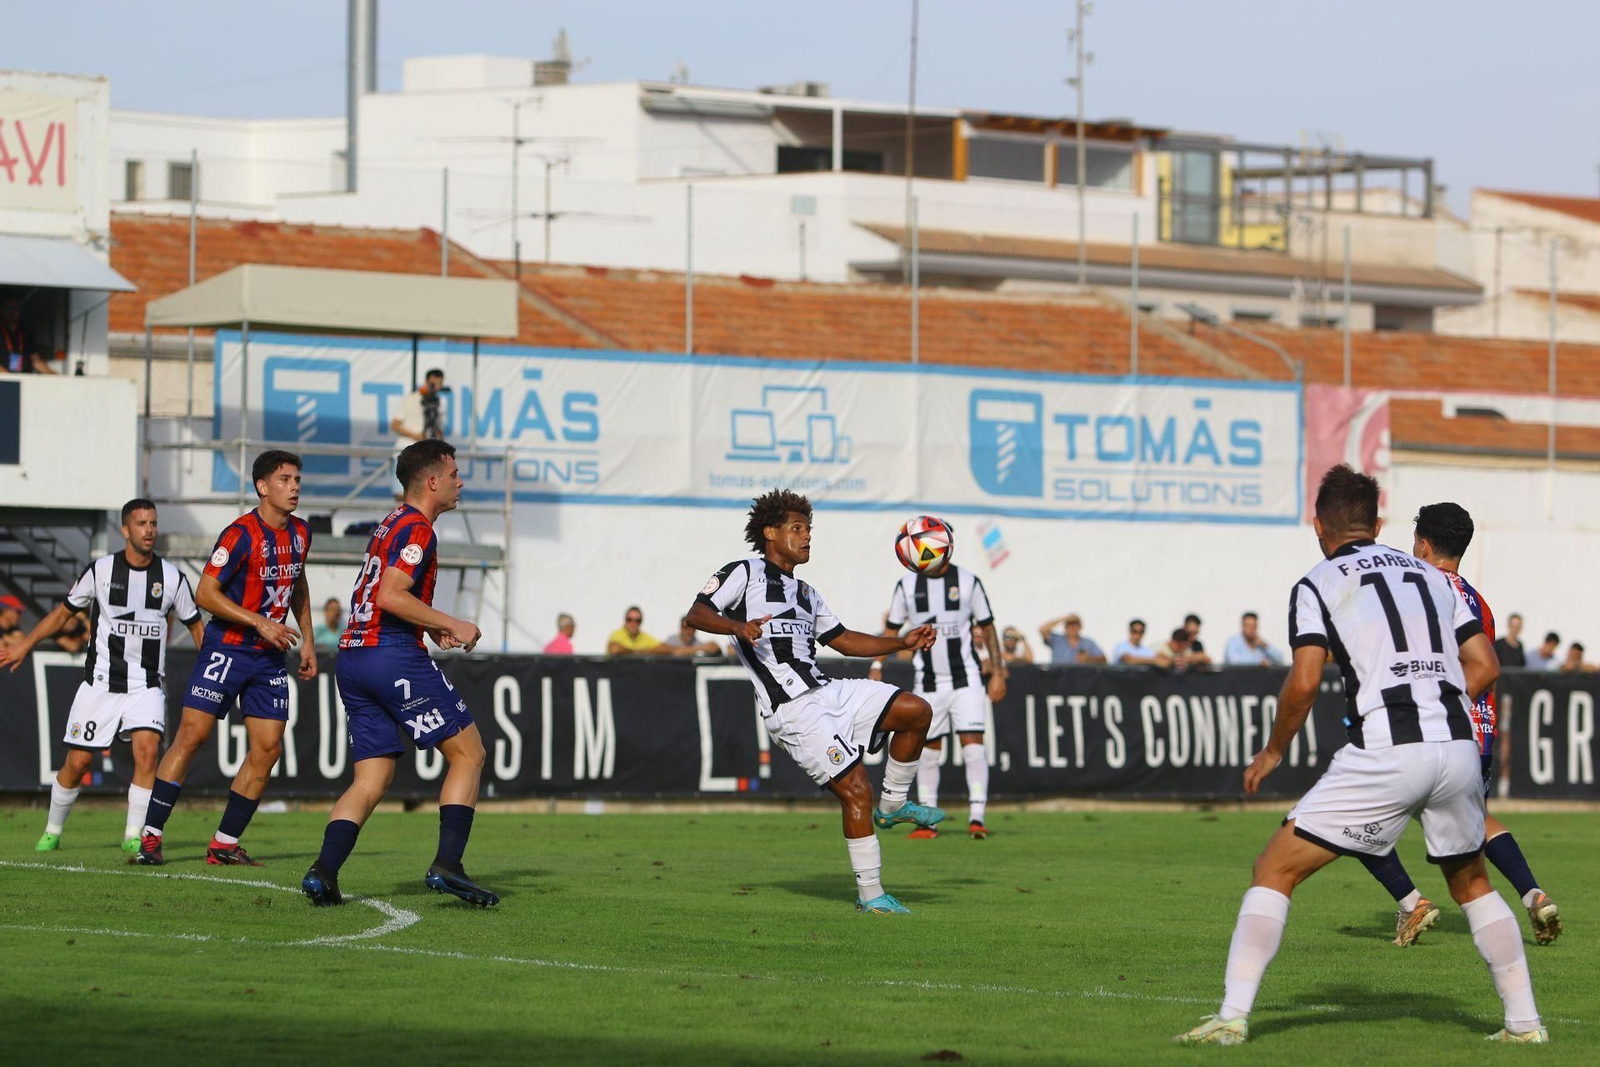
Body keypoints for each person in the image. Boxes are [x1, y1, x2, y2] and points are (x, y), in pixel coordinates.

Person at [1177, 465, 1545, 1045]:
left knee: (1274, 869)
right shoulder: (1435, 578)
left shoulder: (1318, 582)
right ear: (1378, 523)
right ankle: (1525, 1025)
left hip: (1387, 748)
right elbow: (1484, 666)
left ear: (1318, 524)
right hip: (1455, 746)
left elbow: (1302, 683)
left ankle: (1231, 1017)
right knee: (1472, 883)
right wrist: (1436, 697)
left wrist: (1273, 751)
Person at [686, 488, 942, 914]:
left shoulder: (806, 593)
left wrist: (902, 641)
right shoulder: (745, 573)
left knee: (917, 711)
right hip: (793, 710)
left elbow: (842, 640)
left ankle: (894, 804)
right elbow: (695, 614)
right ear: (770, 532)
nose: (807, 537)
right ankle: (871, 897)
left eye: (809, 530)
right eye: (797, 528)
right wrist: (736, 626)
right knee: (857, 791)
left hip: (828, 690)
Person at [1354, 503, 1561, 947]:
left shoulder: (1417, 588)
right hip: (1477, 730)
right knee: (1475, 819)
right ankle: (1533, 894)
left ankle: (1412, 903)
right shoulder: (1477, 599)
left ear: (1424, 545)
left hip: (1429, 725)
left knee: (1357, 812)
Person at [303, 439, 496, 908]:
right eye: (454, 474)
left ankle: (323, 873)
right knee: (469, 754)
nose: (460, 481)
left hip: (353, 656)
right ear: (432, 481)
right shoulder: (418, 529)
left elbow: (379, 598)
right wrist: (452, 622)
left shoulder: (391, 521)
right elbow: (390, 595)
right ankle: (447, 865)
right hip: (389, 655)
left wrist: (428, 630)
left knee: (371, 779)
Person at [131, 450, 316, 867]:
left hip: (269, 657)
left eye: (298, 480)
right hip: (227, 647)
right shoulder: (240, 534)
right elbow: (205, 593)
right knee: (192, 735)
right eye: (285, 480)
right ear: (262, 487)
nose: (294, 488)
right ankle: (151, 836)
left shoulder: (302, 533)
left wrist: (307, 639)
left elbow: (298, 585)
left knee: (268, 749)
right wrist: (259, 622)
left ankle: (224, 843)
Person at [0, 500, 205, 854]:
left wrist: (212, 672)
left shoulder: (172, 578)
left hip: (147, 685)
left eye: (153, 523)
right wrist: (26, 645)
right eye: (141, 524)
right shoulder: (101, 571)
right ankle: (52, 829)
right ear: (125, 530)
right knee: (77, 764)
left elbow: (196, 626)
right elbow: (63, 613)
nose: (149, 530)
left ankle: (132, 836)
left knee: (147, 753)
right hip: (100, 685)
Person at [873, 521, 1006, 840]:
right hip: (928, 680)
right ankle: (928, 821)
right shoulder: (906, 585)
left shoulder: (968, 581)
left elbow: (987, 627)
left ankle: (977, 817)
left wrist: (998, 672)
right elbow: (892, 629)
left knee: (973, 746)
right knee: (928, 749)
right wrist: (877, 665)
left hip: (966, 679)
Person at [1, 291, 54, 374]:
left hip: (24, 379)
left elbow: (36, 361)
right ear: (1, 310)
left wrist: (56, 377)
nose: (12, 312)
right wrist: (8, 377)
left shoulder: (26, 333)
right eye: (8, 308)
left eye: (15, 309)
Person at [391, 368, 448, 446]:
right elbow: (395, 425)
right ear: (426, 382)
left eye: (438, 383)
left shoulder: (441, 403)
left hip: (427, 451)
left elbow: (440, 431)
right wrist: (415, 436)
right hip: (406, 447)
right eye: (432, 383)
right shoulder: (411, 398)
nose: (435, 387)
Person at [1037, 614, 1105, 665]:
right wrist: (1064, 618)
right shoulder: (1057, 640)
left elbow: (1103, 660)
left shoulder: (1088, 643)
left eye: (1075, 624)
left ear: (1080, 627)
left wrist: (1088, 660)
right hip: (1058, 679)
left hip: (1080, 679)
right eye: (1070, 624)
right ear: (1065, 627)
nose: (1073, 627)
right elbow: (1042, 629)